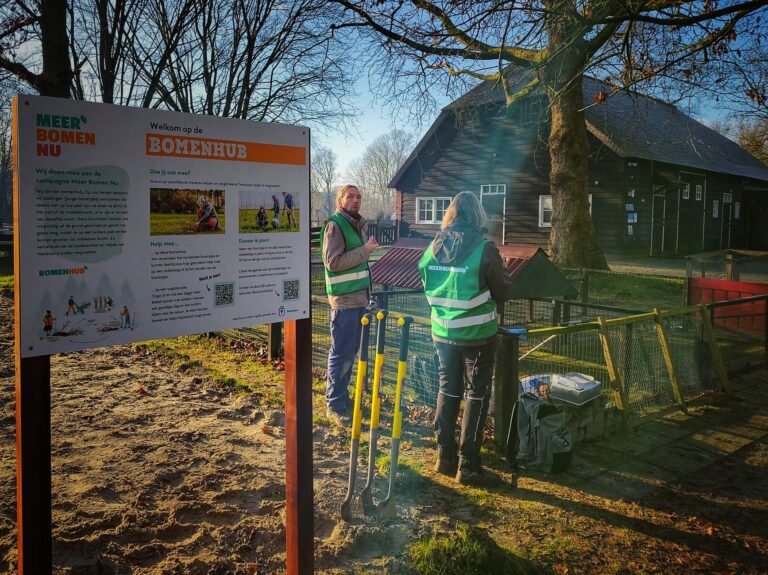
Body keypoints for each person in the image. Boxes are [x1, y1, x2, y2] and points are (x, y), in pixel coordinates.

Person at [418, 191, 513, 486]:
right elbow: (504, 291)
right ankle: (469, 465)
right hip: (478, 336)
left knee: (448, 390)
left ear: (450, 213)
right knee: (476, 394)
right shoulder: (485, 249)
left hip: (442, 332)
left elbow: (424, 277)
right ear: (477, 215)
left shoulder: (432, 247)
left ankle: (444, 456)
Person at [322, 184, 379, 427]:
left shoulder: (356, 224)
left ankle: (342, 399)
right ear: (340, 200)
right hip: (344, 301)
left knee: (350, 353)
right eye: (350, 196)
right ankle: (335, 404)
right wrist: (365, 251)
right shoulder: (335, 225)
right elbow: (333, 262)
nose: (356, 201)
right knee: (341, 353)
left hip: (357, 300)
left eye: (359, 197)